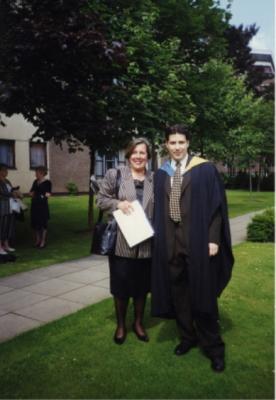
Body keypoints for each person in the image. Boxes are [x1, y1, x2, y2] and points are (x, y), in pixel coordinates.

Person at [151, 124, 234, 372]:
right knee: (179, 294)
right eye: (172, 142)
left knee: (203, 295)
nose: (177, 147)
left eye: (181, 142)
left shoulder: (204, 169)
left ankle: (213, 347)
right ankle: (188, 337)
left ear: (188, 143)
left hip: (198, 241)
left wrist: (213, 239)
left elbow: (216, 208)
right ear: (166, 144)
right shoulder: (162, 173)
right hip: (170, 243)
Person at [97, 138, 154, 345]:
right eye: (135, 152)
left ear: (148, 156)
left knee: (141, 288)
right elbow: (101, 200)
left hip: (146, 244)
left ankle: (138, 323)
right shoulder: (116, 174)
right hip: (121, 243)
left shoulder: (154, 179)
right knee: (121, 287)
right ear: (128, 155)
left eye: (143, 153)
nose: (139, 156)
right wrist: (118, 203)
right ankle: (121, 325)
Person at [0, 164, 21, 255]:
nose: (7, 172)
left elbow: (10, 191)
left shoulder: (7, 181)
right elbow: (2, 193)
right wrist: (12, 194)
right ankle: (0, 247)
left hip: (10, 206)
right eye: (5, 170)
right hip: (2, 207)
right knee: (1, 226)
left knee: (8, 226)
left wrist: (15, 192)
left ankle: (6, 245)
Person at [29, 166, 52, 249]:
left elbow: (48, 194)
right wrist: (32, 193)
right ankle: (38, 240)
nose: (35, 174)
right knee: (35, 223)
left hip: (42, 206)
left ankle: (43, 241)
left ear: (42, 173)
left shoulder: (47, 183)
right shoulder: (35, 182)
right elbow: (31, 192)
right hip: (34, 204)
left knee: (43, 223)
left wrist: (43, 197)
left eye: (37, 172)